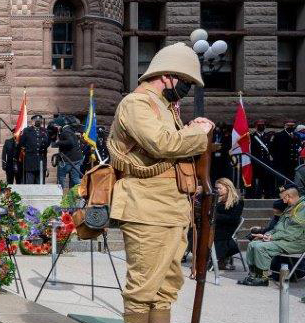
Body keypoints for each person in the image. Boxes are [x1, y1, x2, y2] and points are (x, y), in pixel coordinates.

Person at [106, 42, 213, 323]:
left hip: (172, 206)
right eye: (186, 81)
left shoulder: (166, 108)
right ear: (167, 76)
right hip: (146, 207)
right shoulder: (136, 103)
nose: (186, 88)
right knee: (142, 290)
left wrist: (190, 130)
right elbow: (163, 144)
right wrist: (198, 134)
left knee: (165, 289)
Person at [239, 184, 305, 286]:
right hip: (284, 240)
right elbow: (277, 227)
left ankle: (262, 278)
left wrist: (271, 237)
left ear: (289, 196)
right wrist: (266, 234)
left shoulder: (302, 208)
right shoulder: (291, 207)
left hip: (296, 242)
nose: (283, 201)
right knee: (253, 244)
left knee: (261, 247)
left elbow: (293, 233)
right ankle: (254, 275)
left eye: (283, 198)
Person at [213, 178, 244, 271]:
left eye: (220, 188)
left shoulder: (237, 201)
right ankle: (207, 258)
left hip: (227, 228)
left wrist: (216, 216)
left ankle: (219, 259)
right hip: (217, 225)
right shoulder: (216, 199)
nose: (217, 190)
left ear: (228, 188)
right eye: (216, 188)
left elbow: (233, 219)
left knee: (214, 234)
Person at [18, 115, 50, 184]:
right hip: (30, 161)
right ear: (32, 122)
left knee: (40, 183)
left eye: (40, 120)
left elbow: (47, 143)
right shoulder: (27, 131)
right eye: (36, 120)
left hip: (41, 160)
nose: (38, 122)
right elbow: (21, 143)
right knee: (30, 183)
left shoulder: (45, 131)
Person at [54, 120, 85, 189]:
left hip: (68, 160)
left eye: (57, 126)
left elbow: (70, 142)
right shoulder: (70, 130)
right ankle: (77, 196)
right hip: (76, 159)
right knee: (75, 179)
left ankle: (60, 196)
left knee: (61, 178)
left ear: (60, 125)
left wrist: (58, 142)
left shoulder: (65, 132)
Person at [249, 120, 274, 198]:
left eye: (263, 125)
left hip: (266, 162)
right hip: (256, 161)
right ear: (256, 126)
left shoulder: (268, 136)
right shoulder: (252, 136)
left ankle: (267, 195)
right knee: (256, 180)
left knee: (266, 179)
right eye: (259, 125)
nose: (261, 126)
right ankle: (256, 195)